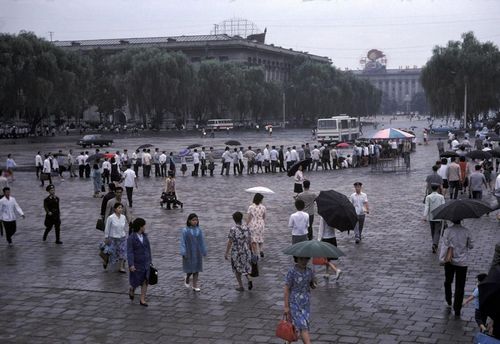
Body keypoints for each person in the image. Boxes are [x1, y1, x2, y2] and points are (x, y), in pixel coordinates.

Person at [439, 219, 473, 318]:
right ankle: (457, 308)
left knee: (448, 281)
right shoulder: (466, 231)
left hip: (450, 261)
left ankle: (449, 299)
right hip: (462, 262)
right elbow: (471, 246)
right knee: (460, 286)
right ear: (461, 220)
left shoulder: (447, 231)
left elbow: (445, 245)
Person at [284, 256, 316, 344]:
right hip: (294, 302)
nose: (304, 261)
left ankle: (287, 341)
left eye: (306, 259)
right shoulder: (292, 271)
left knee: (298, 324)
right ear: (296, 259)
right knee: (303, 325)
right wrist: (286, 306)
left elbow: (313, 286)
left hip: (305, 303)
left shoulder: (309, 271)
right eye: (301, 259)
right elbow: (287, 289)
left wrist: (314, 282)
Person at [224, 211, 254, 292]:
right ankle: (249, 278)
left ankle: (241, 286)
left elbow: (230, 242)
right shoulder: (246, 228)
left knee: (237, 269)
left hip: (236, 251)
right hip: (246, 250)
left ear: (234, 219)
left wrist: (226, 253)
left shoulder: (233, 229)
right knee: (246, 267)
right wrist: (251, 250)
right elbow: (250, 240)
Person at [127, 217, 152, 307]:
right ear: (140, 227)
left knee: (145, 281)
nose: (145, 227)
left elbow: (148, 249)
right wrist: (131, 264)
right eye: (144, 225)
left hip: (145, 263)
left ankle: (142, 299)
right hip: (136, 263)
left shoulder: (145, 237)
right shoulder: (131, 238)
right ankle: (132, 289)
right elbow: (129, 252)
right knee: (136, 281)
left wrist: (150, 261)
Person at [180, 213, 207, 292]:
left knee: (197, 269)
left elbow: (202, 241)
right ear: (189, 221)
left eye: (196, 220)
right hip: (188, 253)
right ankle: (187, 277)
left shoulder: (199, 230)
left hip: (197, 253)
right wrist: (183, 251)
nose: (195, 221)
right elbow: (182, 242)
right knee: (190, 269)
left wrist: (203, 250)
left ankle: (195, 285)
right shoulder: (185, 230)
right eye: (193, 220)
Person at [104, 202, 128, 273]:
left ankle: (121, 267)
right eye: (119, 208)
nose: (120, 209)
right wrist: (106, 237)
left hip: (122, 237)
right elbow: (107, 228)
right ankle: (105, 261)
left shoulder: (123, 217)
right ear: (115, 209)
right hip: (113, 238)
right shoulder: (111, 218)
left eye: (121, 208)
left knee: (122, 252)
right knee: (111, 252)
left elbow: (123, 227)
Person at [317, 215, 342, 280]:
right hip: (333, 238)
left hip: (326, 239)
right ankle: (327, 273)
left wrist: (319, 240)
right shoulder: (334, 216)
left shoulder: (323, 217)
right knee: (328, 258)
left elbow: (321, 230)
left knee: (325, 259)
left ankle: (336, 270)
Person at [423, 184, 445, 253]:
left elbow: (427, 207)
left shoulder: (428, 197)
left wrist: (424, 216)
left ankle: (434, 243)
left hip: (431, 217)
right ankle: (435, 244)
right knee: (437, 232)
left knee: (432, 231)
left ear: (431, 189)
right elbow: (443, 207)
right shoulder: (441, 197)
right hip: (439, 216)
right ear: (438, 188)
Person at [246, 193, 266, 258]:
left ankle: (256, 253)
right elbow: (264, 216)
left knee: (253, 240)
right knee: (260, 238)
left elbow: (248, 217)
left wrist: (246, 224)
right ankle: (261, 250)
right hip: (261, 224)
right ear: (260, 200)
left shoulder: (251, 207)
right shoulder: (263, 207)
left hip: (253, 224)